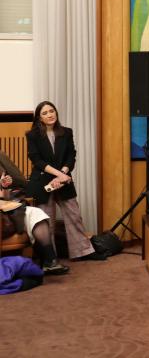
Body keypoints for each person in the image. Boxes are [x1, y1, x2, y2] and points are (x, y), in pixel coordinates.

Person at [25, 101, 107, 261]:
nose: (50, 115)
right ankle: (50, 257)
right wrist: (59, 175)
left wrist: (63, 174)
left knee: (74, 215)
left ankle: (83, 252)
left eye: (52, 111)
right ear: (39, 118)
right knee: (46, 220)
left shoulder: (66, 132)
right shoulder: (32, 135)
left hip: (63, 179)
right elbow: (37, 161)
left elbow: (71, 156)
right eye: (45, 113)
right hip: (43, 182)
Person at [1, 149, 70, 274]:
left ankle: (50, 261)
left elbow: (14, 185)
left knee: (36, 213)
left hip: (6, 204)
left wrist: (4, 185)